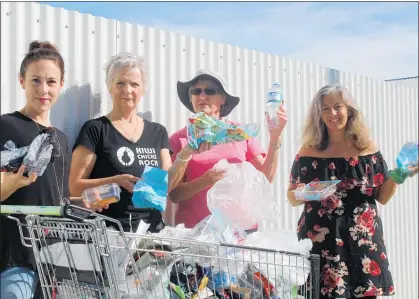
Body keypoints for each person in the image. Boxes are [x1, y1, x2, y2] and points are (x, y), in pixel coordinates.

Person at [287, 85, 417, 298]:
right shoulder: (308, 150)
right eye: (325, 109)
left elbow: (382, 197)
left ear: (349, 109)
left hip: (362, 243)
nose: (332, 114)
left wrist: (398, 175)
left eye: (337, 107)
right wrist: (309, 193)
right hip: (321, 241)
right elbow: (291, 197)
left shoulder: (368, 148)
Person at [69, 52, 194, 232]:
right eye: (120, 83)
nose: (127, 90)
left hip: (151, 236)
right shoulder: (96, 129)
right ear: (109, 86)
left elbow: (166, 186)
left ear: (143, 89)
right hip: (109, 236)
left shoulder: (157, 132)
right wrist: (115, 181)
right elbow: (74, 187)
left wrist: (185, 155)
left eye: (134, 84)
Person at [169, 69, 288, 228]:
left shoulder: (240, 134)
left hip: (239, 233)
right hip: (197, 237)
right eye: (196, 91)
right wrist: (204, 181)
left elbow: (265, 178)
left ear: (223, 99)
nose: (202, 96)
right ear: (191, 98)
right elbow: (174, 194)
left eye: (210, 91)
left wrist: (275, 138)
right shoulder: (179, 139)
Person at [0, 41, 69, 299]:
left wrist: (87, 200)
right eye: (35, 80)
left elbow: (57, 198)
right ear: (21, 80)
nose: (44, 89)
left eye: (51, 82)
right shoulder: (6, 126)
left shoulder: (60, 138)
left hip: (54, 262)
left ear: (61, 84)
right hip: (15, 260)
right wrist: (16, 182)